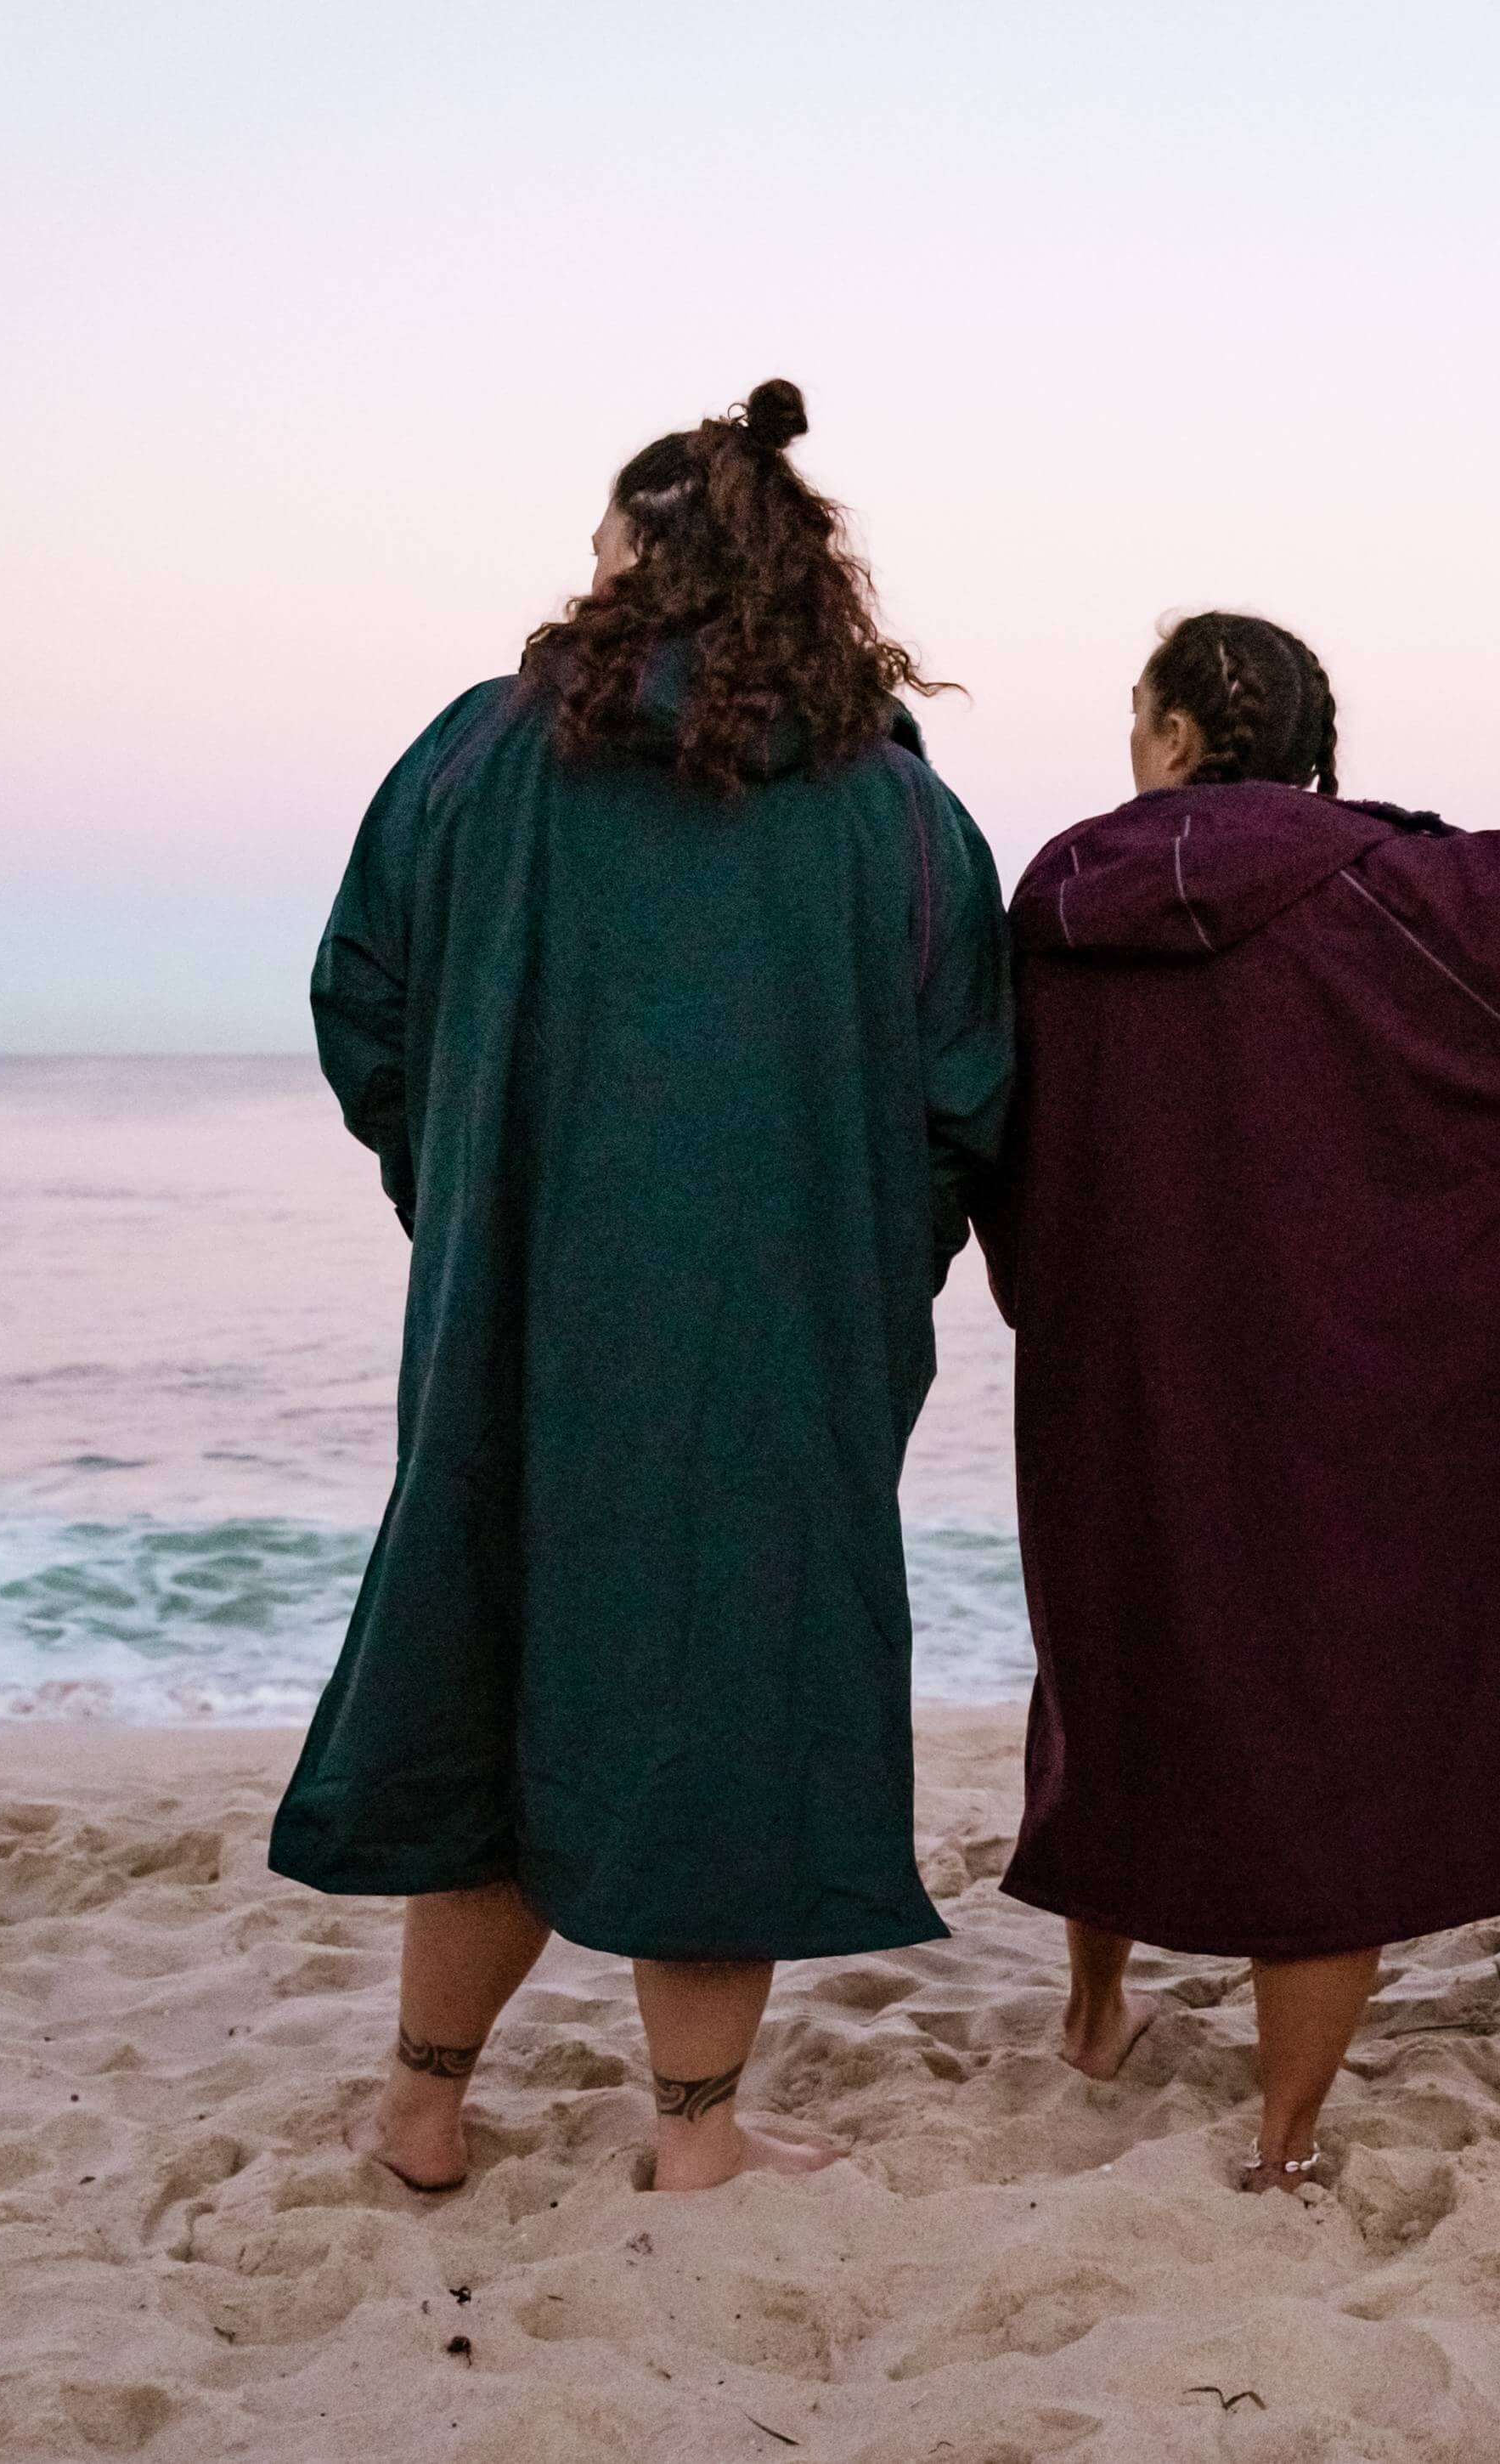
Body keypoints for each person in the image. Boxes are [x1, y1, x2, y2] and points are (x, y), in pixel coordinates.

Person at [272, 380, 1012, 2195]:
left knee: (489, 1666)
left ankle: (425, 2105)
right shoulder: (902, 818)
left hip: (515, 1321)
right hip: (775, 1345)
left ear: (628, 562)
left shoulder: (474, 752)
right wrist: (853, 1267)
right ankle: (698, 2139)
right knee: (726, 1691)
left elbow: (361, 995)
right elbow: (965, 1099)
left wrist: (464, 1191)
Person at [982, 612, 1500, 2191]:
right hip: (1334, 1385)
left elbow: (991, 1123)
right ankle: (1283, 2141)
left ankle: (1096, 2020)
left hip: (1119, 1375)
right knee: (1328, 1746)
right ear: (1308, 744)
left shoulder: (1056, 897)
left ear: (1167, 738)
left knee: (1115, 1680)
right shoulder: (1401, 891)